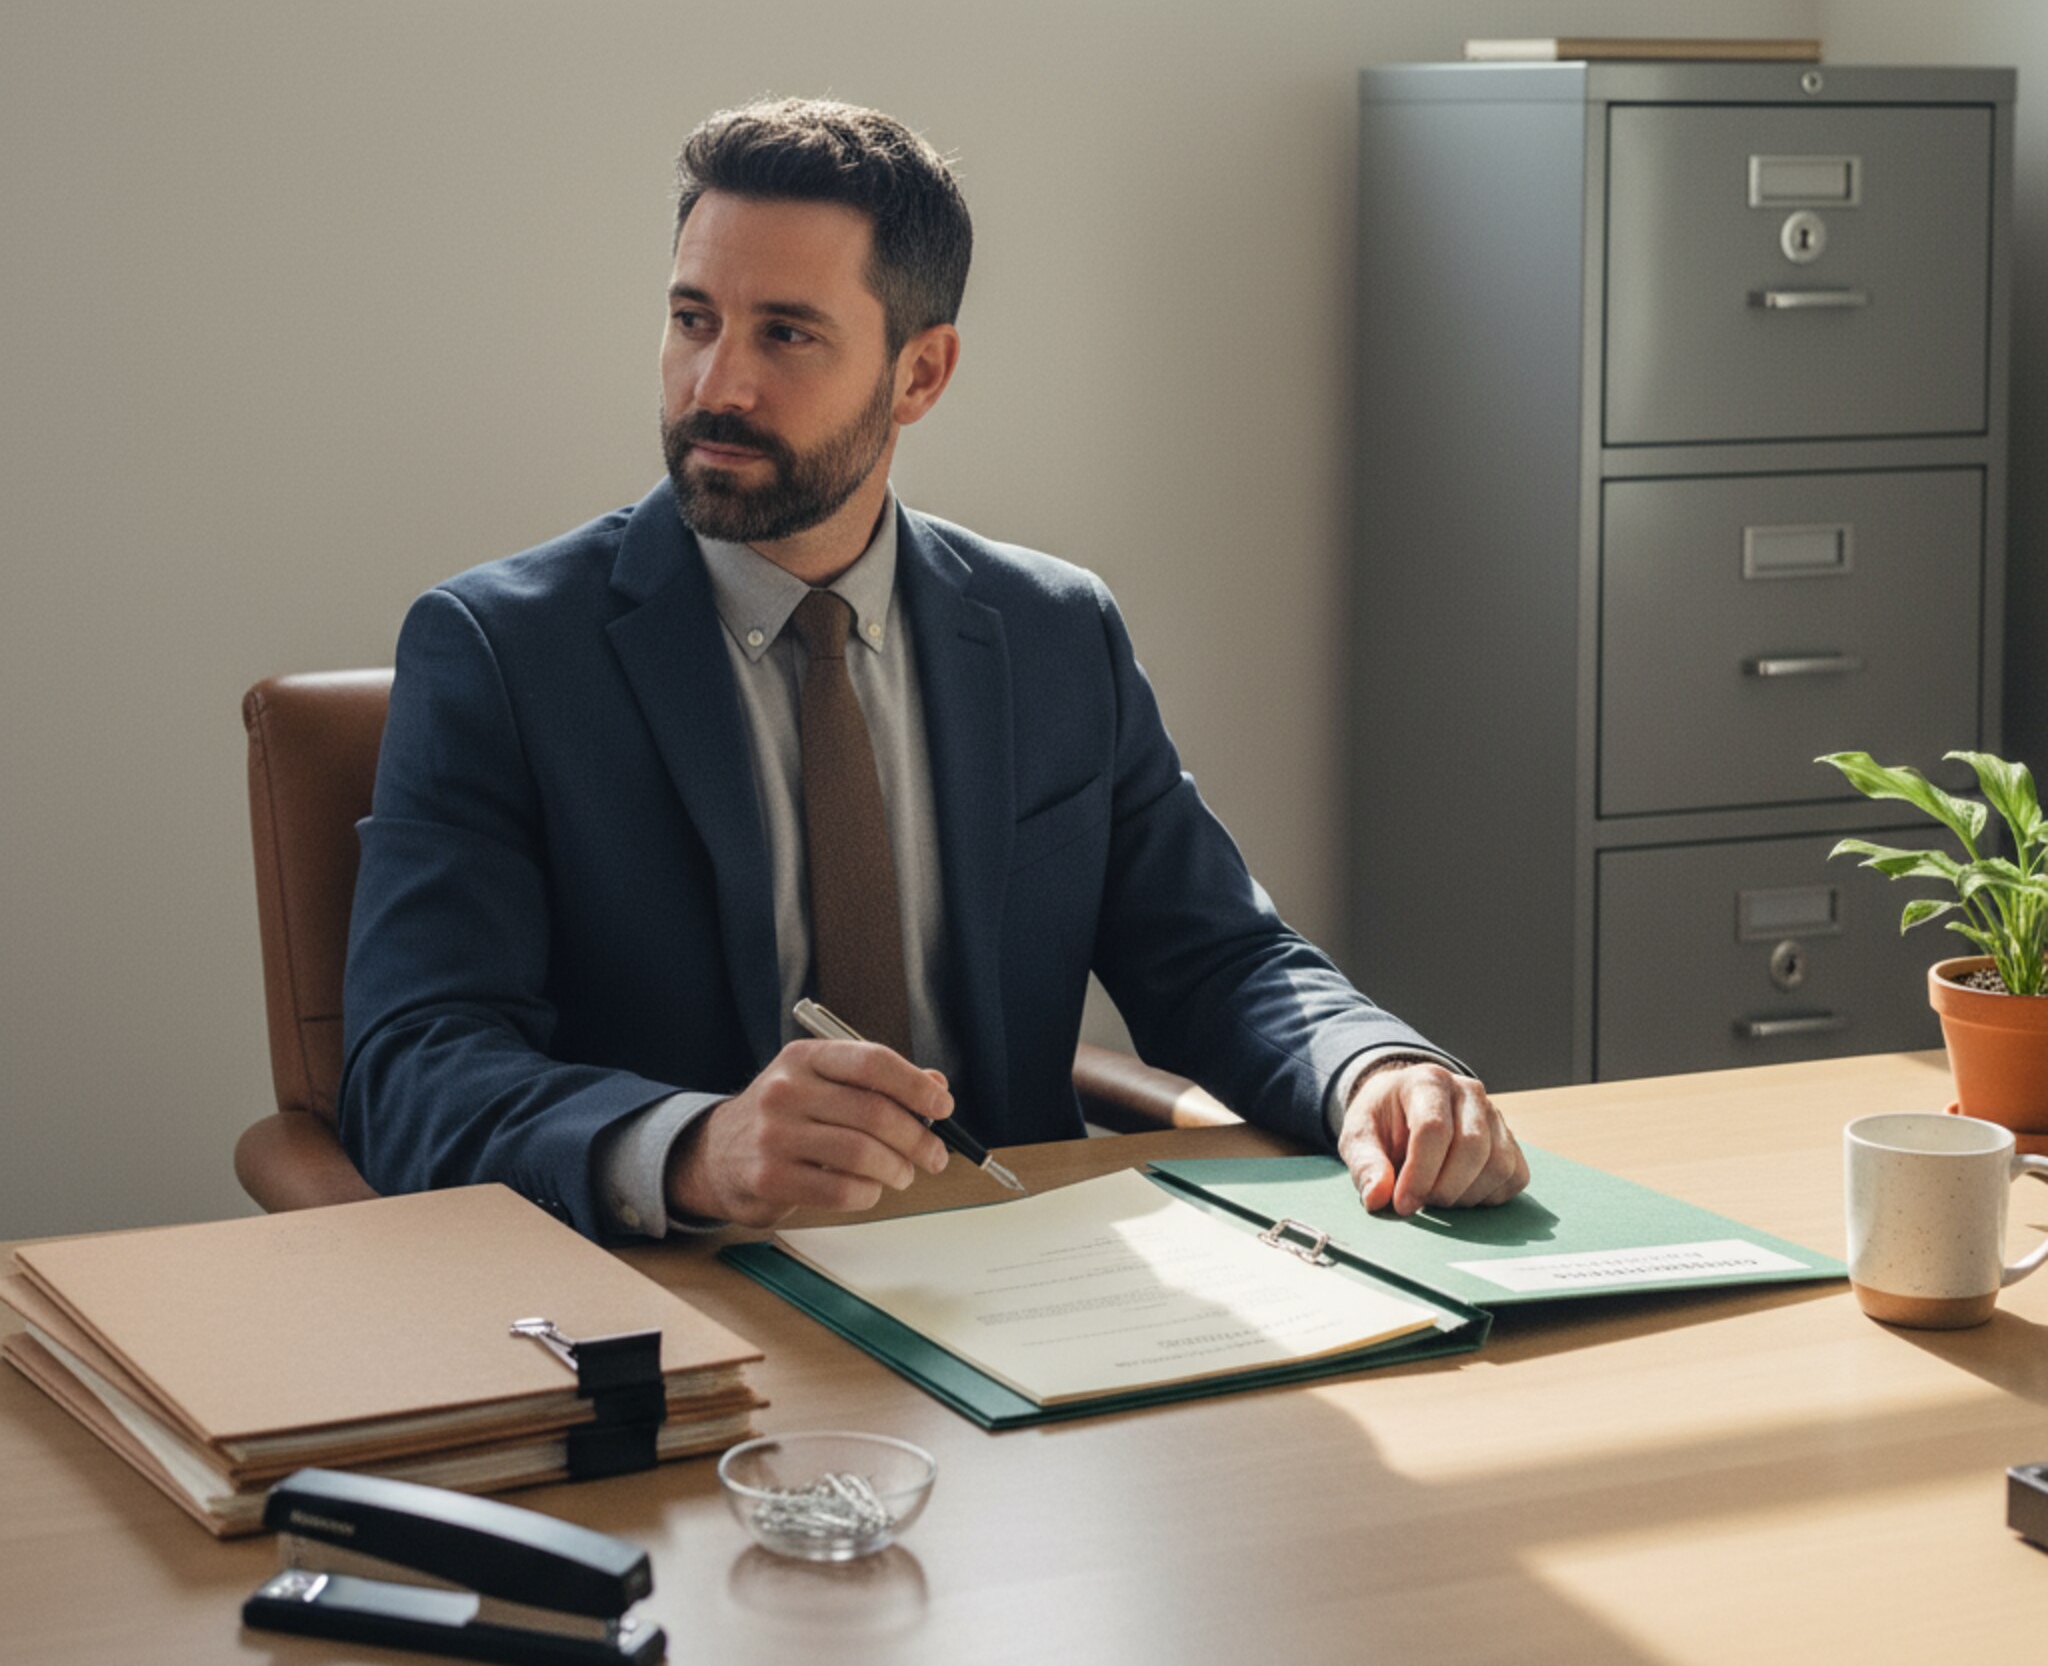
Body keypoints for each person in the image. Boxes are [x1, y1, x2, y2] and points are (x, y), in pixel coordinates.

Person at [339, 98, 1528, 1238]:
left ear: (920, 373)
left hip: (1029, 1271)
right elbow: (413, 1063)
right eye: (693, 319)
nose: (716, 385)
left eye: (785, 334)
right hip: (694, 1289)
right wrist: (695, 1146)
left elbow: (1214, 955)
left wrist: (1371, 1064)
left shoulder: (1052, 631)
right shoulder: (500, 651)